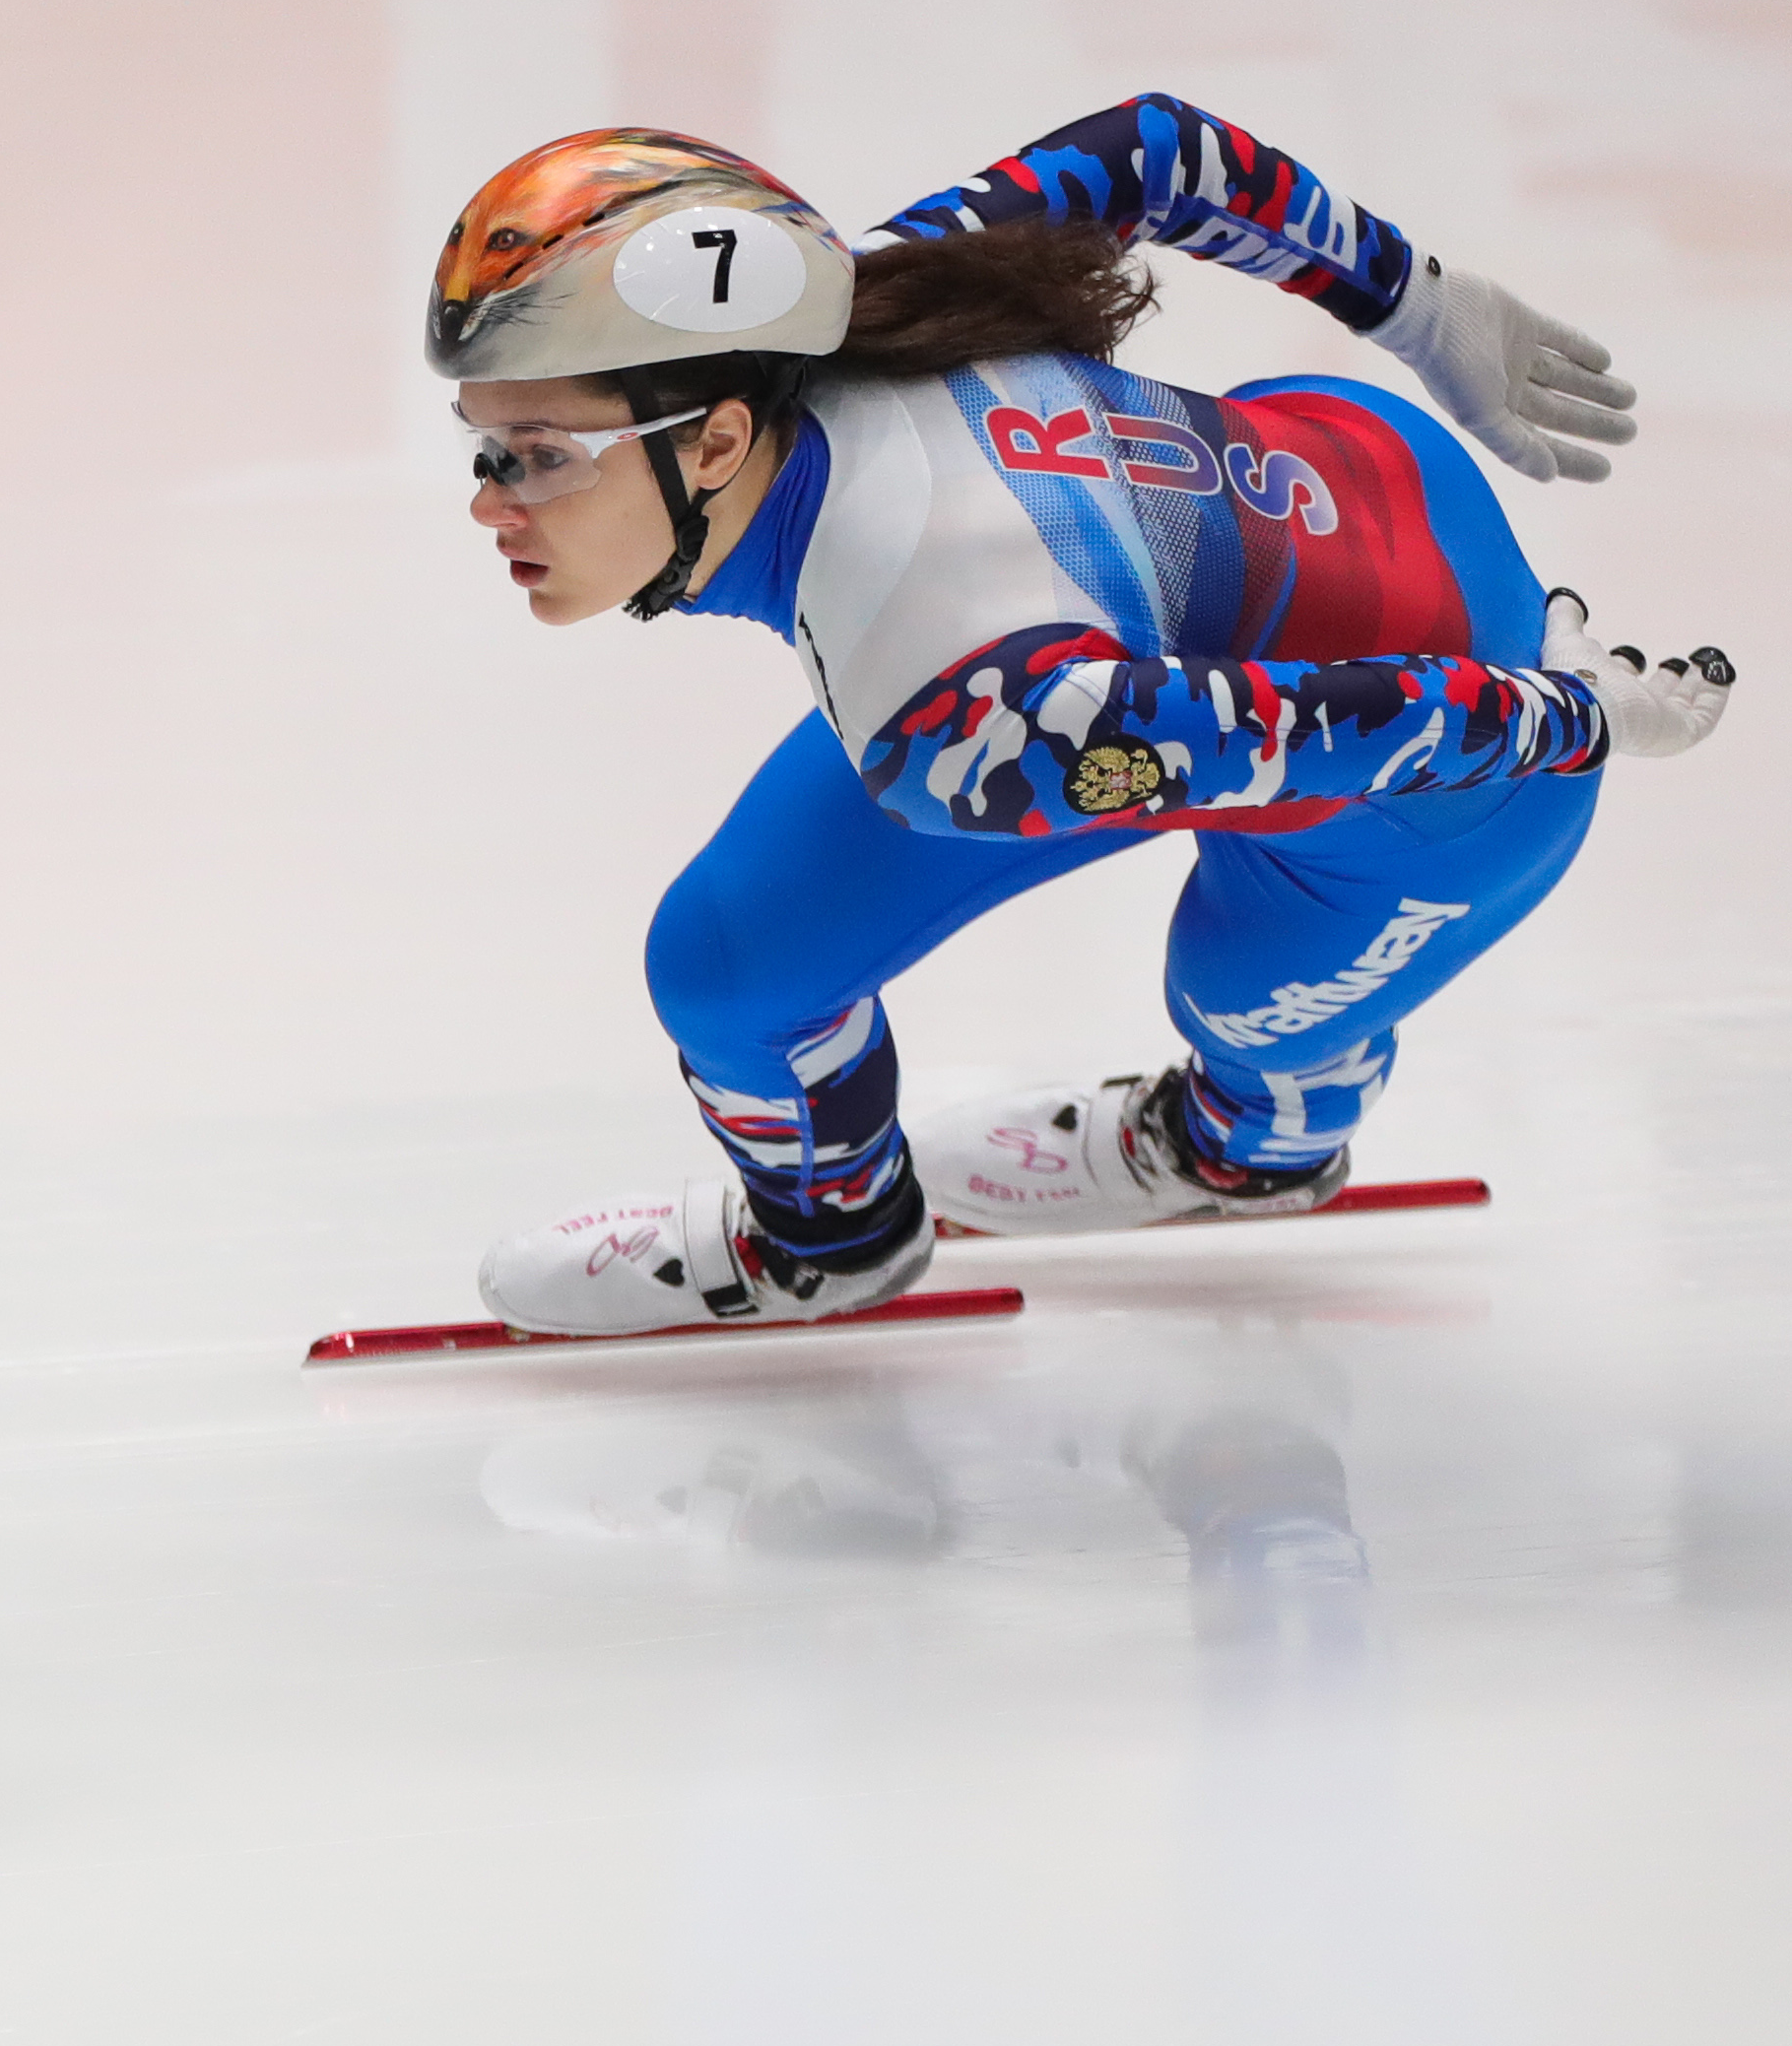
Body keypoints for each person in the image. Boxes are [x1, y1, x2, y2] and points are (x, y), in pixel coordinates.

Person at [433, 99, 1736, 1335]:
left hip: (1435, 777)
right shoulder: (857, 299)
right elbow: (1153, 149)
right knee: (726, 964)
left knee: (1233, 999)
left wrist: (1558, 715)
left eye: (536, 455)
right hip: (1274, 538)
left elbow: (1288, 733)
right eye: (478, 443)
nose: (489, 503)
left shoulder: (951, 711)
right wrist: (1410, 299)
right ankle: (834, 1235)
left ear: (717, 442)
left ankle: (1247, 1152)